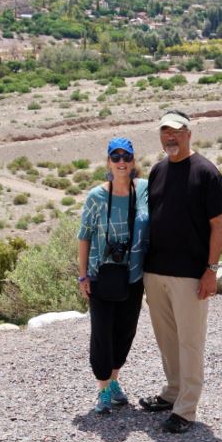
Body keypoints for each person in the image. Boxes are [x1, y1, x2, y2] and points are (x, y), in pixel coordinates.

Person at [140, 110, 222, 433]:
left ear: (189, 133)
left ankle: (186, 409)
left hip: (191, 273)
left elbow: (218, 225)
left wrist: (211, 270)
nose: (170, 137)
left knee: (190, 342)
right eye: (165, 132)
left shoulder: (206, 173)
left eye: (176, 131)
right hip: (156, 271)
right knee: (167, 339)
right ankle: (173, 391)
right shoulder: (158, 171)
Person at [78, 137, 148, 415]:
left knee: (125, 331)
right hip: (101, 274)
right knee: (102, 333)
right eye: (115, 157)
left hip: (132, 275)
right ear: (108, 162)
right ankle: (103, 388)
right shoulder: (96, 197)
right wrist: (83, 276)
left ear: (133, 162)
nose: (121, 162)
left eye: (126, 157)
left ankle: (114, 381)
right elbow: (84, 237)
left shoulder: (141, 191)